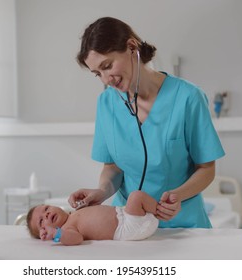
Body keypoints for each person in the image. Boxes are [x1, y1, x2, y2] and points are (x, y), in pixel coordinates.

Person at [69, 17, 225, 228]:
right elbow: (113, 167)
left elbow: (206, 168)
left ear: (132, 46)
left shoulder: (188, 97)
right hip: (127, 224)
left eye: (107, 66)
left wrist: (177, 196)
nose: (106, 80)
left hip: (181, 224)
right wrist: (102, 191)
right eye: (98, 74)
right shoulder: (106, 103)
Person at [26, 190, 159, 246]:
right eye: (41, 221)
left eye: (46, 209)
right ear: (45, 233)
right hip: (127, 227)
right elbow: (77, 239)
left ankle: (162, 209)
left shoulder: (74, 213)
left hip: (126, 214)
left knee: (138, 197)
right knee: (136, 197)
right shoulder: (67, 228)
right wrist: (56, 234)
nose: (47, 214)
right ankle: (162, 210)